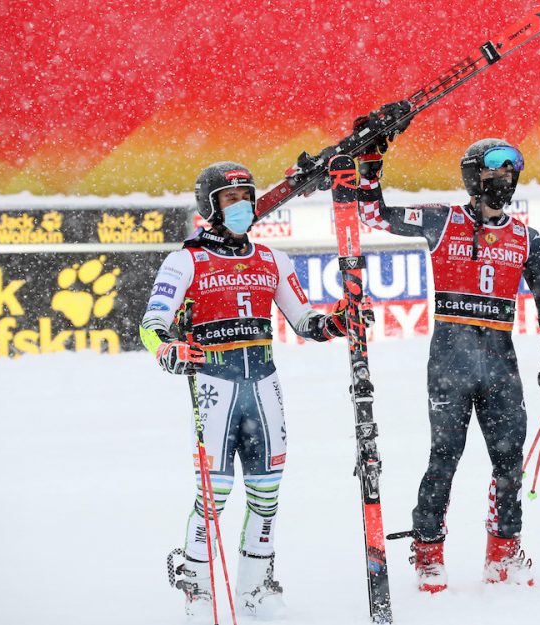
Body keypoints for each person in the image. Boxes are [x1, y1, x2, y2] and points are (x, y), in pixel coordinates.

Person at [141, 162, 364, 619]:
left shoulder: (272, 260)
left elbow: (306, 322)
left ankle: (256, 588)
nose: (241, 205)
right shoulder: (186, 259)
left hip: (264, 386)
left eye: (246, 196)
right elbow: (151, 325)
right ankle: (197, 590)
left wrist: (338, 322)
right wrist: (168, 350)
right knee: (215, 494)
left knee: (266, 493)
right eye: (229, 198)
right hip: (215, 385)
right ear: (210, 206)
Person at [355, 136, 540, 592]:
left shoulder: (526, 238)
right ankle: (429, 552)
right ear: (474, 177)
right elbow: (373, 215)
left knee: (510, 459)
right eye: (493, 174)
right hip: (451, 356)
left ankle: (503, 552)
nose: (503, 182)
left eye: (509, 174)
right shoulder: (442, 220)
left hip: (499, 356)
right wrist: (371, 169)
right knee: (445, 456)